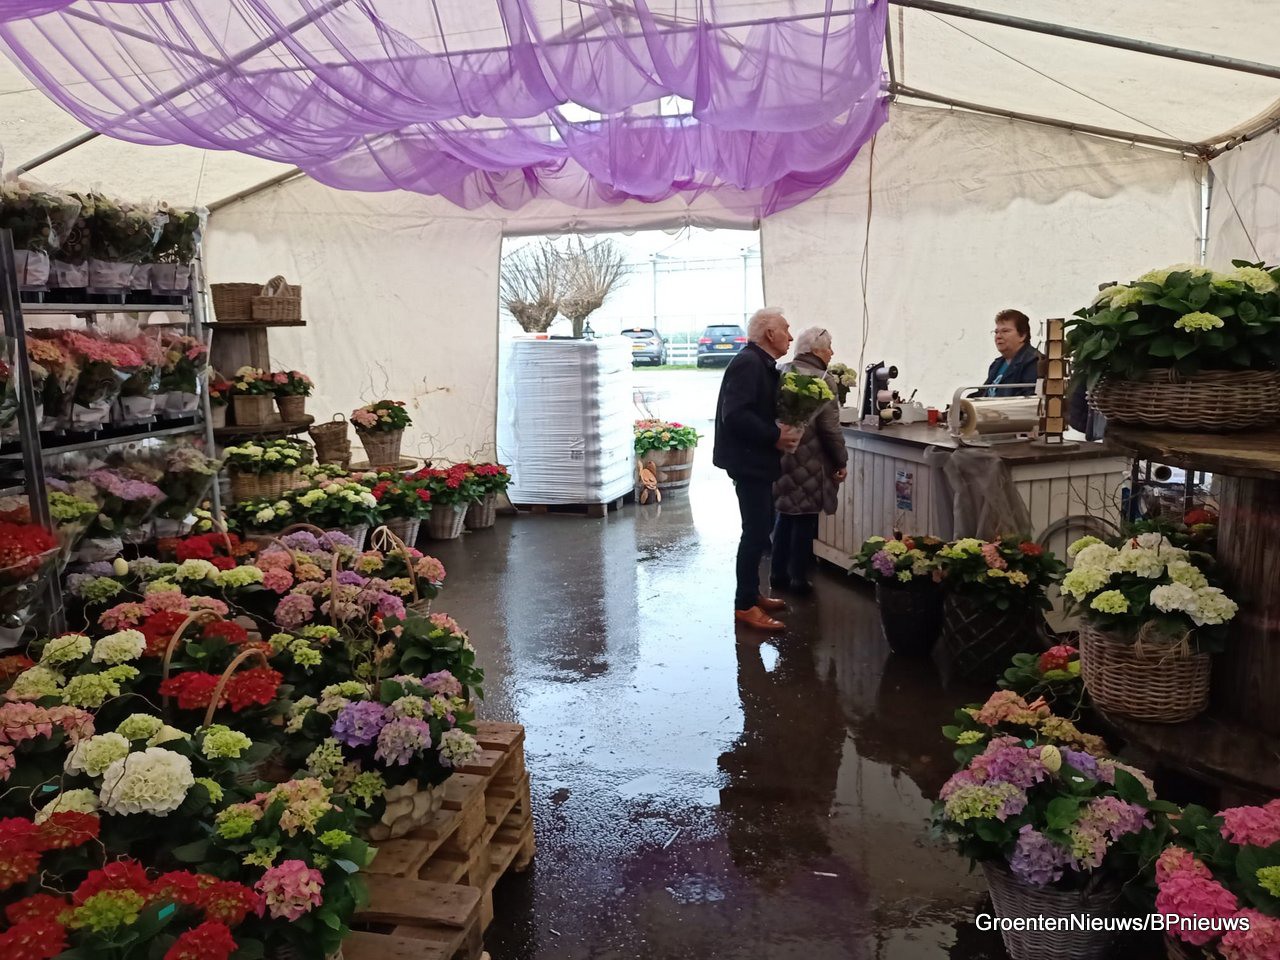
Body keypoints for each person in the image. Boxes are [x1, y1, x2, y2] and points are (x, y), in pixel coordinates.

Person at [713, 307, 803, 632]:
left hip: (756, 460)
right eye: (786, 329)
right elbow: (735, 415)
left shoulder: (759, 363)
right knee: (754, 533)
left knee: (760, 528)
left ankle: (753, 594)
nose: (790, 337)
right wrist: (774, 435)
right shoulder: (749, 363)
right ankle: (744, 605)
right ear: (769, 333)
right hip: (748, 461)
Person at [771, 327, 848, 595]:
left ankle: (777, 574)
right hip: (811, 462)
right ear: (816, 351)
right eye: (829, 348)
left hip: (781, 455)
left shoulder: (781, 371)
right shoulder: (823, 379)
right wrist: (841, 460)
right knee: (804, 518)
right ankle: (798, 578)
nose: (832, 353)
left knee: (784, 513)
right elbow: (830, 428)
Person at [983, 309, 1041, 397]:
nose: (998, 336)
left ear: (1022, 335)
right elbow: (981, 394)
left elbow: (1028, 398)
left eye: (1005, 331)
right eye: (996, 332)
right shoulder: (996, 364)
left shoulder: (1035, 362)